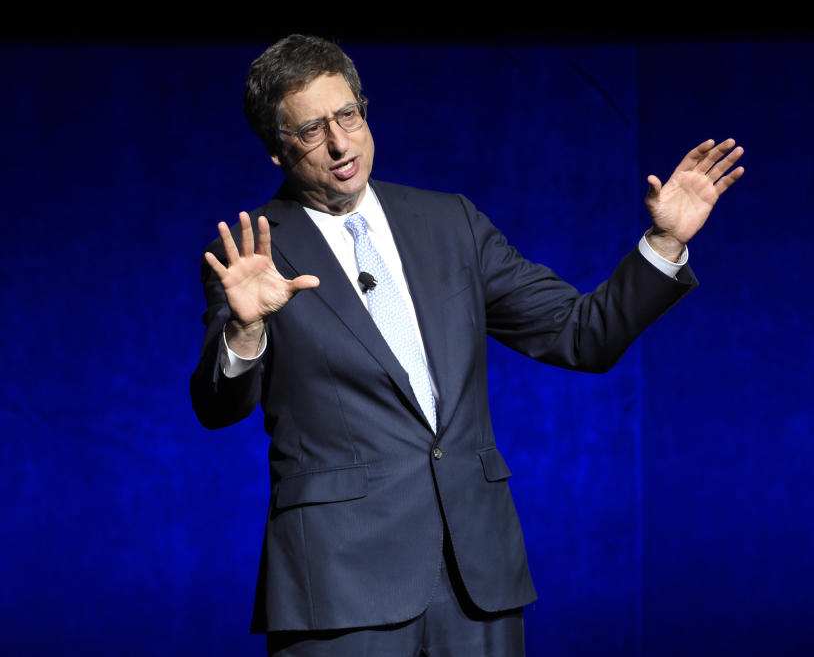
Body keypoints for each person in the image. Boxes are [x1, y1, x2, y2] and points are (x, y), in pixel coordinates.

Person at [190, 34, 744, 657]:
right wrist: (246, 330)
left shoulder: (450, 221)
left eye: (349, 116)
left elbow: (582, 335)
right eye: (313, 130)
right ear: (275, 148)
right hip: (339, 586)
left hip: (477, 580)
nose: (341, 144)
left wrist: (663, 245)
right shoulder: (253, 256)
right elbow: (218, 406)